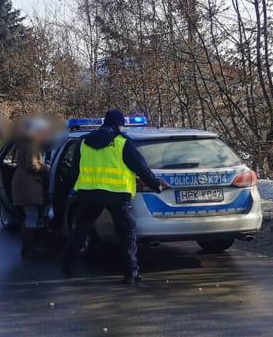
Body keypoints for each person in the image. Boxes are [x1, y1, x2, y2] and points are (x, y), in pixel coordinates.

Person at [62, 109, 170, 284]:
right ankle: (131, 273)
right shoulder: (122, 143)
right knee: (126, 233)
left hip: (89, 194)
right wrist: (156, 186)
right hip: (117, 195)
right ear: (118, 124)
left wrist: (68, 191)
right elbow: (141, 168)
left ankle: (67, 264)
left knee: (81, 230)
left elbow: (74, 170)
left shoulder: (84, 142)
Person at [11, 118, 50, 259]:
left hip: (23, 183)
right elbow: (32, 165)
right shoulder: (32, 144)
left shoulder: (25, 142)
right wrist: (47, 167)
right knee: (32, 217)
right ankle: (29, 250)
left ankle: (28, 248)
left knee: (29, 217)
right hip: (29, 185)